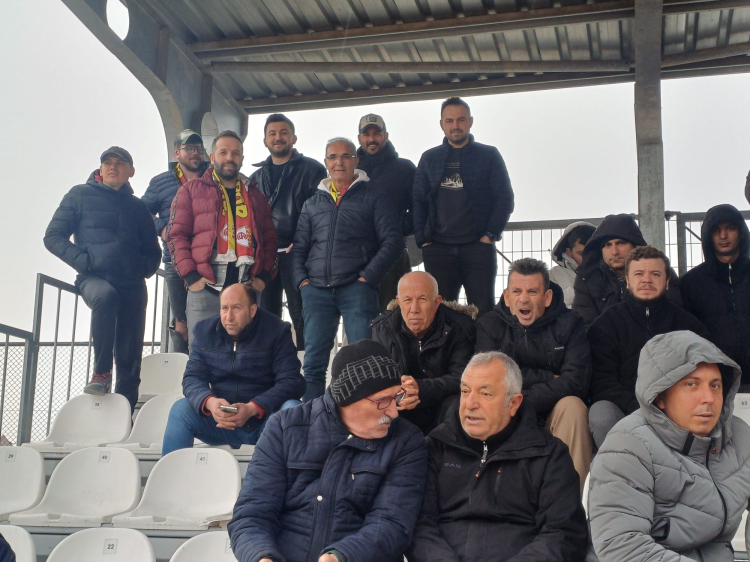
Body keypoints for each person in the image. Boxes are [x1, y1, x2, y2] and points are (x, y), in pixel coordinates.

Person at [228, 339, 428, 562]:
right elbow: (252, 515)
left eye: (397, 397)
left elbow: (392, 524)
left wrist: (339, 557)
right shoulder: (285, 428)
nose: (394, 411)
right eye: (383, 401)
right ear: (347, 399)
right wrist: (261, 557)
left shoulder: (406, 441)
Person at [407, 351, 588, 562]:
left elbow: (562, 533)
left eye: (485, 394)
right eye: (465, 391)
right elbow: (419, 526)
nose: (470, 404)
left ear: (514, 403)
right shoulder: (435, 448)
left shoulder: (549, 455)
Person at [588, 331, 750, 562]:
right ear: (660, 397)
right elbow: (622, 548)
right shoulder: (628, 446)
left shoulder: (740, 436)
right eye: (691, 384)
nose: (708, 397)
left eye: (715, 385)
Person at [44, 147, 161, 408]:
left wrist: (141, 269)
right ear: (100, 168)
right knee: (105, 298)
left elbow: (154, 252)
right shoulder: (79, 195)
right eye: (107, 162)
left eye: (120, 163)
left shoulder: (138, 207)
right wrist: (84, 261)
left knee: (130, 362)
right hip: (94, 278)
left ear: (131, 171)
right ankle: (101, 372)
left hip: (132, 284)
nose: (113, 167)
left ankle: (125, 418)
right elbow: (52, 236)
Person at [292, 137, 403, 401]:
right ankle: (313, 418)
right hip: (316, 291)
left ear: (356, 161)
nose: (339, 162)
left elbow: (393, 241)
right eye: (333, 157)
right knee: (313, 364)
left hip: (357, 290)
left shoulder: (374, 198)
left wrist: (367, 278)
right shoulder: (312, 203)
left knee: (364, 360)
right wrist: (302, 282)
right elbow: (299, 247)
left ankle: (363, 417)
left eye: (346, 156)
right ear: (326, 162)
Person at [476, 258, 592, 489]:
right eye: (517, 291)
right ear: (507, 297)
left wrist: (523, 397)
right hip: (508, 411)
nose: (524, 299)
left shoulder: (571, 323)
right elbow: (489, 379)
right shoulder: (489, 325)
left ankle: (574, 500)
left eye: (532, 291)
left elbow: (576, 382)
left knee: (574, 407)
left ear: (547, 297)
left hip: (550, 409)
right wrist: (547, 377)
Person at [161, 283, 304, 455]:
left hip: (266, 422)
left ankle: (293, 473)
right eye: (224, 308)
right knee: (180, 410)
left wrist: (253, 408)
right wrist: (210, 402)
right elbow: (192, 378)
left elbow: (292, 382)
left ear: (252, 310)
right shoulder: (204, 331)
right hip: (221, 424)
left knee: (293, 409)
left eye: (236, 308)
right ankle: (171, 472)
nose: (228, 317)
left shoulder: (277, 330)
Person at [167, 130, 278, 347]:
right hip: (205, 288)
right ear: (212, 157)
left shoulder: (255, 195)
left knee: (247, 354)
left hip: (246, 288)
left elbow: (270, 239)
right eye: (223, 152)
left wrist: (263, 277)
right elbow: (176, 236)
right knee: (202, 354)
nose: (229, 158)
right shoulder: (190, 191)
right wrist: (191, 277)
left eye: (235, 153)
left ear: (242, 159)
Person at [588, 246, 706, 447]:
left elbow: (702, 374)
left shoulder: (688, 326)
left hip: (676, 412)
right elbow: (602, 382)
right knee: (601, 413)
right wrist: (638, 408)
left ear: (667, 282)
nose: (647, 280)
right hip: (625, 411)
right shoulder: (606, 324)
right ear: (627, 280)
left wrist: (668, 406)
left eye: (655, 274)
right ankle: (621, 465)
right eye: (639, 274)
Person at [412, 97, 514, 317]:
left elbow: (504, 198)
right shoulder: (429, 158)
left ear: (470, 122)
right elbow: (417, 201)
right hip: (438, 249)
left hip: (478, 248)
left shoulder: (488, 155)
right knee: (441, 314)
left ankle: (483, 343)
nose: (455, 125)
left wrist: (490, 235)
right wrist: (423, 239)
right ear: (442, 124)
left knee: (483, 312)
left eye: (461, 120)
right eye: (449, 121)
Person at [251, 114, 327, 350]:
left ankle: (308, 367)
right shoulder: (255, 178)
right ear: (265, 141)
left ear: (294, 138)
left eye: (284, 133)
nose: (278, 137)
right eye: (272, 134)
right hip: (266, 256)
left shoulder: (313, 170)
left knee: (303, 317)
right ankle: (271, 365)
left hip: (299, 254)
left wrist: (305, 240)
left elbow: (322, 211)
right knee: (265, 318)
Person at [371, 271, 475, 434]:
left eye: (422, 299)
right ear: (399, 301)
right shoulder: (382, 329)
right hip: (397, 405)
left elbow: (462, 378)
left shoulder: (460, 328)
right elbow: (375, 379)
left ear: (437, 302)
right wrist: (399, 395)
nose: (414, 309)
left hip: (442, 407)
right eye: (407, 300)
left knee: (458, 403)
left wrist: (421, 389)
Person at [141, 129, 209, 353]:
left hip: (208, 260)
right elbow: (141, 212)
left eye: (198, 148)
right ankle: (181, 370)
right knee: (181, 323)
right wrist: (161, 228)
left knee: (210, 320)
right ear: (176, 153)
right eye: (189, 148)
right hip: (174, 261)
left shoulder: (213, 178)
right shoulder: (161, 182)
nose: (195, 153)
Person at [681, 204, 750, 388]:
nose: (723, 236)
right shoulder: (691, 283)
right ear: (708, 236)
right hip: (714, 380)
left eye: (730, 228)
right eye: (716, 230)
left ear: (741, 233)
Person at [573, 213, 681, 326]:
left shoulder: (660, 272)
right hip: (603, 336)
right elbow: (584, 324)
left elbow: (673, 315)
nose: (614, 252)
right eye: (607, 245)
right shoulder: (587, 277)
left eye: (621, 243)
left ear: (635, 245)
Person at [356, 113, 417, 312]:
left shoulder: (405, 168)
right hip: (355, 254)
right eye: (366, 134)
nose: (371, 139)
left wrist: (396, 229)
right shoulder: (349, 170)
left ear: (386, 136)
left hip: (393, 254)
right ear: (359, 138)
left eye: (377, 133)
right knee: (358, 313)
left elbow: (419, 208)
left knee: (395, 313)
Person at [549, 221, 595, 308]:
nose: (587, 258)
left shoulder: (609, 273)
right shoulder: (553, 276)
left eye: (591, 253)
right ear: (569, 252)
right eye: (581, 254)